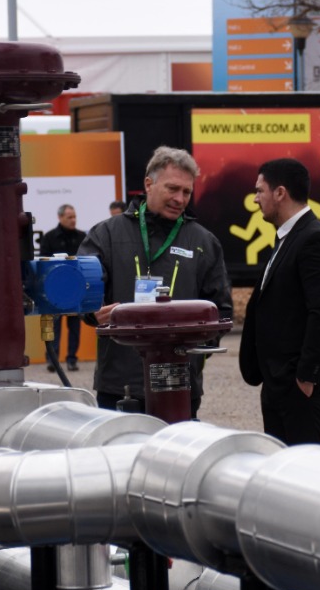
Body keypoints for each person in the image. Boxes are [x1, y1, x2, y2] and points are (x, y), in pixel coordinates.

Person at [78, 146, 233, 417]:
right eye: (172, 189)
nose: (180, 199)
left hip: (179, 381)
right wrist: (92, 311)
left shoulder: (203, 241)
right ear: (148, 184)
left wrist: (195, 354)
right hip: (120, 382)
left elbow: (221, 309)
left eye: (186, 192)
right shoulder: (107, 234)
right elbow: (83, 289)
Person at [238, 159, 320, 445]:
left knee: (306, 474)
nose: (256, 198)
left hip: (300, 389)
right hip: (279, 385)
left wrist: (306, 378)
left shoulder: (314, 239)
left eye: (260, 191)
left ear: (280, 193)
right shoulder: (288, 237)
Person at [39, 203, 87, 371]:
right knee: (54, 327)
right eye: (69, 217)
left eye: (74, 217)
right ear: (60, 217)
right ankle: (53, 359)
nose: (73, 220)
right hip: (55, 289)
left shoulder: (82, 237)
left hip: (76, 288)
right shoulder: (49, 237)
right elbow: (43, 263)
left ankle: (72, 359)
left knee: (75, 327)